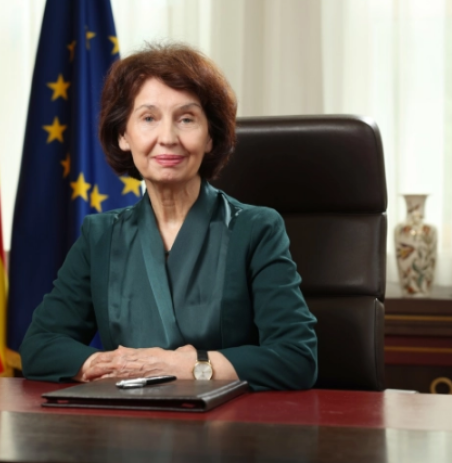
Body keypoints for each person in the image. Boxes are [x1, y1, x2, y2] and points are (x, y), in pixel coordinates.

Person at [20, 43, 317, 391]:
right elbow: (39, 346)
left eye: (186, 119)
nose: (167, 138)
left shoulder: (256, 229)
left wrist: (188, 365)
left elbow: (295, 358)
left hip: (226, 421)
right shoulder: (100, 236)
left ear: (210, 136)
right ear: (123, 135)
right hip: (126, 419)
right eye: (148, 118)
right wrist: (102, 365)